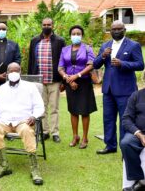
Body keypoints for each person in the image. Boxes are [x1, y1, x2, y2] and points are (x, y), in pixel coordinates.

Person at [0, 62, 44, 185]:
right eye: (11, 71)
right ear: (7, 73)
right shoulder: (2, 88)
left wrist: (34, 116)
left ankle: (34, 169)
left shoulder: (30, 87)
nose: (13, 73)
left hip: (23, 121)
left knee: (27, 131)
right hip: (4, 121)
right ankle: (4, 165)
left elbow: (39, 106)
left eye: (16, 71)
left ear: (20, 72)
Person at [94, 20, 144, 154]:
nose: (116, 31)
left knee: (125, 120)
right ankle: (110, 146)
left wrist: (123, 63)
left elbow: (140, 65)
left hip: (125, 90)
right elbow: (95, 64)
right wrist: (103, 56)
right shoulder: (106, 45)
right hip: (108, 90)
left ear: (124, 30)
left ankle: (125, 148)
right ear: (110, 31)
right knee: (108, 119)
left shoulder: (133, 45)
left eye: (119, 29)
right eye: (113, 29)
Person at [58, 25, 97, 149]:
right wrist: (68, 79)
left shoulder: (87, 48)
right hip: (70, 83)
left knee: (84, 111)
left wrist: (77, 75)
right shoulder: (65, 49)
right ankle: (75, 136)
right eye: (73, 33)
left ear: (82, 35)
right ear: (70, 35)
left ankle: (85, 138)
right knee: (73, 111)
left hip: (84, 83)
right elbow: (60, 67)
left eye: (78, 33)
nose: (75, 35)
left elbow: (91, 65)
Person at [28, 17, 66, 143]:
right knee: (41, 107)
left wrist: (63, 81)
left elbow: (63, 61)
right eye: (44, 24)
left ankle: (55, 132)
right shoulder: (35, 41)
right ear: (41, 25)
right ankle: (44, 131)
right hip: (38, 81)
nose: (46, 26)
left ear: (52, 26)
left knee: (54, 108)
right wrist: (30, 80)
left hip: (54, 80)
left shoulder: (60, 41)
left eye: (49, 25)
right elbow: (31, 61)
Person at [121, 88, 145, 191]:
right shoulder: (136, 95)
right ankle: (140, 181)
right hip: (138, 132)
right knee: (126, 143)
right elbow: (126, 119)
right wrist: (139, 134)